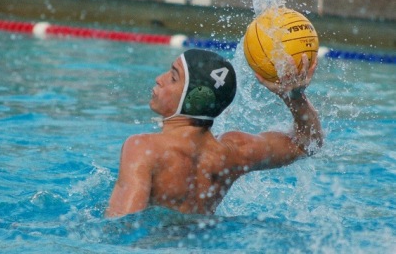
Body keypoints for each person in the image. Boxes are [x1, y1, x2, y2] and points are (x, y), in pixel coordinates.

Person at [105, 48, 323, 217]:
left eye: (173, 77)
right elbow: (307, 143)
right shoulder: (234, 152)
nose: (159, 79)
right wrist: (294, 98)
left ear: (194, 98)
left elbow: (123, 228)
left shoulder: (144, 148)